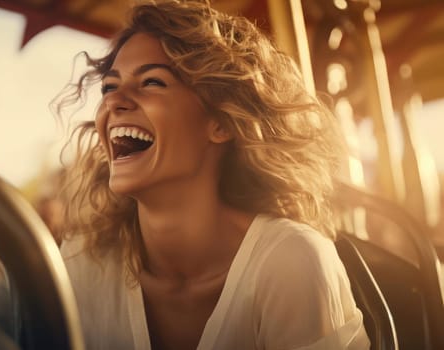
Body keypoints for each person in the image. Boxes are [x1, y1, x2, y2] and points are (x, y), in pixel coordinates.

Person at [56, 0, 370, 349]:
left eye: (152, 82)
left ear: (222, 121)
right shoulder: (83, 259)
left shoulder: (291, 263)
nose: (115, 102)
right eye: (110, 87)